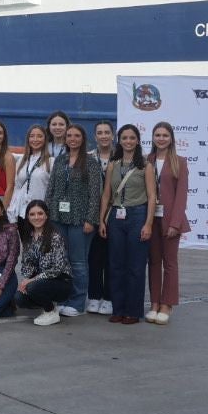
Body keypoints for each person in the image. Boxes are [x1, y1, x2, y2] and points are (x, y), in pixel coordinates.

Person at [99, 124, 157, 326]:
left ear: (138, 140)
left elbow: (151, 197)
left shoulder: (145, 165)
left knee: (136, 266)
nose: (128, 141)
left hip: (137, 215)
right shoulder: (113, 165)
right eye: (124, 138)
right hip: (116, 216)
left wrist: (148, 224)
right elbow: (106, 194)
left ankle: (133, 311)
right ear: (119, 140)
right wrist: (102, 220)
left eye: (132, 138)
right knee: (115, 265)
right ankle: (118, 308)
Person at [47, 124, 103, 318]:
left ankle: (78, 302)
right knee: (62, 261)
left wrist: (91, 219)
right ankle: (63, 298)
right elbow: (51, 188)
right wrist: (48, 215)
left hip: (81, 219)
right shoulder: (60, 160)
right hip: (58, 217)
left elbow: (96, 194)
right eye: (69, 135)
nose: (72, 138)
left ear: (83, 138)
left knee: (78, 262)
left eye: (76, 135)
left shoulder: (91, 162)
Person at [146, 122, 188, 325]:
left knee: (169, 263)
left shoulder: (180, 162)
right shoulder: (147, 160)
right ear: (153, 138)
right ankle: (154, 302)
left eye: (165, 135)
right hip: (150, 219)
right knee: (153, 262)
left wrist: (176, 222)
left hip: (171, 220)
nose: (161, 138)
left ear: (171, 138)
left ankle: (167, 304)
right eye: (157, 135)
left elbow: (181, 196)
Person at [16, 201, 73, 327]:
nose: (36, 217)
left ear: (46, 215)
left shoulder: (55, 237)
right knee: (19, 298)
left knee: (32, 287)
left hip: (61, 281)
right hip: (41, 281)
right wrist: (26, 279)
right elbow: (26, 263)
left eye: (40, 213)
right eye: (32, 214)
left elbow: (57, 269)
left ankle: (50, 311)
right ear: (28, 217)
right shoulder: (28, 236)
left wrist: (32, 281)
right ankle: (47, 304)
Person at [86, 120, 118, 314]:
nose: (104, 135)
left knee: (112, 258)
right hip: (93, 212)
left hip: (115, 213)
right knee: (94, 257)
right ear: (95, 136)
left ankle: (109, 297)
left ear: (112, 135)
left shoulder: (122, 157)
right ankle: (94, 296)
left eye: (107, 132)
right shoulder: (88, 157)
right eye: (100, 132)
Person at [8, 124, 52, 226]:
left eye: (39, 136)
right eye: (32, 136)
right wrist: (11, 211)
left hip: (40, 214)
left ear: (45, 140)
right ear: (28, 139)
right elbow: (17, 188)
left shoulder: (51, 162)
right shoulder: (22, 161)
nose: (35, 139)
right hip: (21, 213)